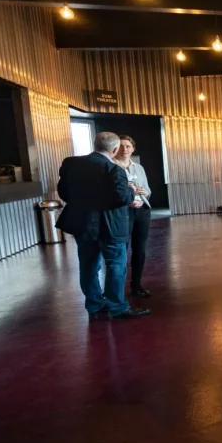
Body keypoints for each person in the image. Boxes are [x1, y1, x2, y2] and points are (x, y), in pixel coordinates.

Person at [56, 132, 150, 320]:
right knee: (116, 265)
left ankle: (95, 306)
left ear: (95, 144)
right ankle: (118, 308)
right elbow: (121, 198)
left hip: (82, 224)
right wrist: (131, 191)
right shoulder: (113, 169)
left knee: (88, 266)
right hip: (110, 225)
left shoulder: (71, 164)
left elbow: (63, 193)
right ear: (114, 149)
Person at [113, 135, 153, 298]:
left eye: (128, 146)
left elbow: (148, 189)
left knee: (140, 249)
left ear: (133, 148)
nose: (125, 149)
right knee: (121, 250)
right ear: (115, 148)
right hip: (123, 212)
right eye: (121, 146)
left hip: (142, 211)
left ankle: (136, 285)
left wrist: (145, 192)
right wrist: (128, 200)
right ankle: (117, 290)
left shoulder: (139, 168)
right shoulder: (111, 166)